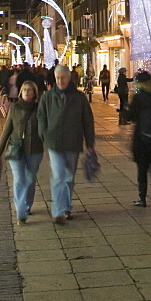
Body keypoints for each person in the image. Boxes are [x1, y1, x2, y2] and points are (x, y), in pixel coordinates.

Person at [37, 64, 96, 225]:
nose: (60, 81)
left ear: (69, 78)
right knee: (58, 176)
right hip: (54, 142)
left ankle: (66, 206)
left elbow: (87, 121)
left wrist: (90, 143)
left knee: (68, 176)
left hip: (73, 142)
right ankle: (58, 210)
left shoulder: (79, 98)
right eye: (57, 78)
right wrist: (44, 133)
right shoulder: (48, 97)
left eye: (63, 77)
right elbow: (41, 117)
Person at [0, 81, 44, 225]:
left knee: (30, 179)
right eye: (24, 90)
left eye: (30, 90)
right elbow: (6, 131)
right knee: (19, 179)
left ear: (34, 93)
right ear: (20, 92)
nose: (27, 92)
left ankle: (27, 205)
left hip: (35, 149)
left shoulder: (40, 109)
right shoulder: (14, 109)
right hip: (16, 149)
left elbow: (46, 129)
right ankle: (20, 211)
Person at [124, 71, 151, 207]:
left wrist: (126, 108)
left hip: (142, 139)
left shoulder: (138, 97)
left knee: (142, 170)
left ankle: (142, 198)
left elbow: (130, 116)